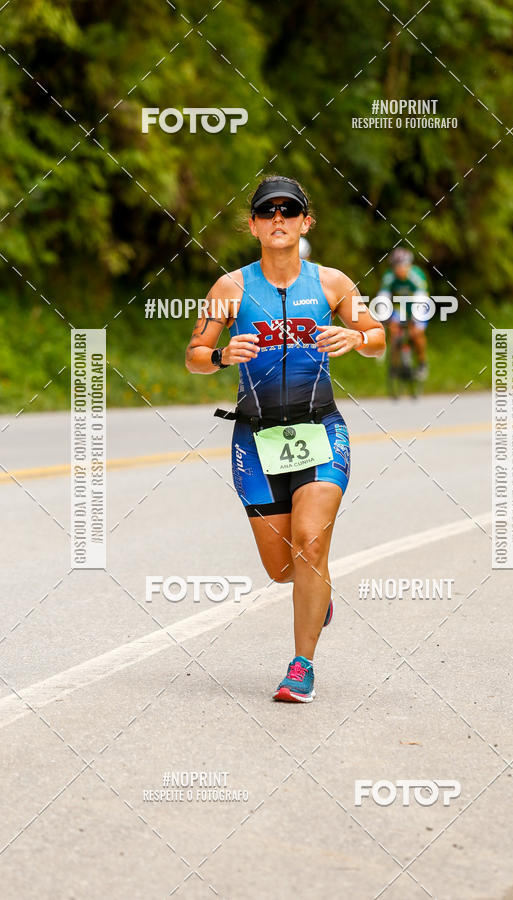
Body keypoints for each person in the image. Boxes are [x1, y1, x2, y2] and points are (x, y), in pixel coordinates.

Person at [185, 175, 385, 702]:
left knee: (311, 544)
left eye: (289, 212)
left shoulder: (333, 284)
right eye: (267, 212)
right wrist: (221, 355)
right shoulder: (229, 289)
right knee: (283, 568)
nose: (279, 220)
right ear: (252, 225)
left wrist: (357, 336)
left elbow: (377, 339)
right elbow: (194, 355)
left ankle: (301, 665)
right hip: (255, 436)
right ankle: (314, 595)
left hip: (320, 427)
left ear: (305, 222)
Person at [377, 248, 430, 381]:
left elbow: (422, 298)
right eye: (396, 267)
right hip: (401, 307)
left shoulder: (416, 275)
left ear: (409, 265)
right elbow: (383, 298)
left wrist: (416, 319)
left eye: (402, 266)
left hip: (419, 305)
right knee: (394, 330)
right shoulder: (389, 277)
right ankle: (394, 365)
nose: (399, 270)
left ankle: (422, 363)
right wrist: (384, 318)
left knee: (416, 333)